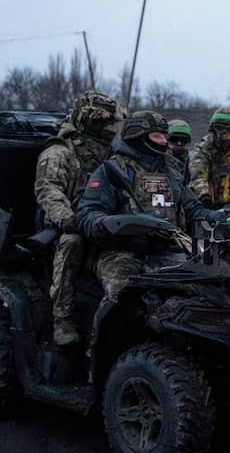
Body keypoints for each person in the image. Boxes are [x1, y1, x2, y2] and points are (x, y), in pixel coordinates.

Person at [76, 110, 222, 311]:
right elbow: (86, 215)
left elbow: (195, 210)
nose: (164, 141)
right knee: (124, 294)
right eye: (157, 136)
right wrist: (110, 223)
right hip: (122, 252)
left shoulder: (172, 173)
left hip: (170, 249)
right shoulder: (111, 170)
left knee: (211, 284)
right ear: (137, 136)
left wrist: (224, 215)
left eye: (164, 136)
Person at [34, 91, 127, 346]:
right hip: (71, 226)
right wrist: (68, 219)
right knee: (71, 243)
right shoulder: (60, 152)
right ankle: (62, 318)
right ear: (87, 120)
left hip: (105, 224)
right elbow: (47, 189)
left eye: (112, 123)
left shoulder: (113, 154)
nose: (109, 129)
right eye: (102, 122)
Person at [187, 107, 230, 209]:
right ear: (212, 129)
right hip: (210, 207)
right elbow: (197, 178)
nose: (224, 134)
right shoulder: (203, 151)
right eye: (219, 128)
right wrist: (205, 198)